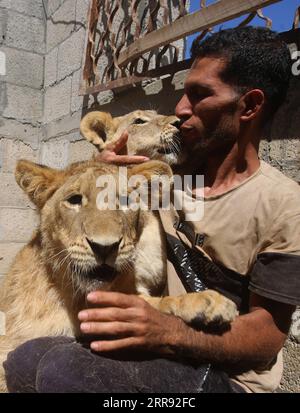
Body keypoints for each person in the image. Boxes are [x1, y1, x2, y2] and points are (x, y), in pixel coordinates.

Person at [4, 27, 300, 393]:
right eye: (183, 94)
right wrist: (102, 172)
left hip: (225, 376)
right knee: (24, 360)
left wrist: (166, 330)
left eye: (199, 95)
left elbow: (268, 336)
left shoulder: (284, 204)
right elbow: (84, 211)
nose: (179, 111)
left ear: (250, 106)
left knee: (61, 368)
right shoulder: (168, 179)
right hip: (157, 343)